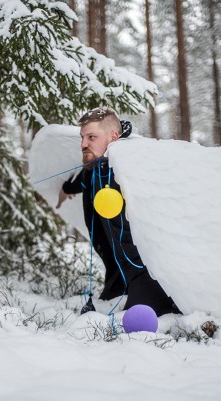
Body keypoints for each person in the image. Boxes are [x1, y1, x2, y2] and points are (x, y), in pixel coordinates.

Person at [57, 107, 180, 316]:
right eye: (82, 137)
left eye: (91, 137)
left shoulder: (132, 167)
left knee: (133, 320)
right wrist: (66, 189)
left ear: (113, 137)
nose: (83, 144)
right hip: (118, 273)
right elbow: (84, 180)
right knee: (109, 300)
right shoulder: (96, 166)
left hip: (149, 274)